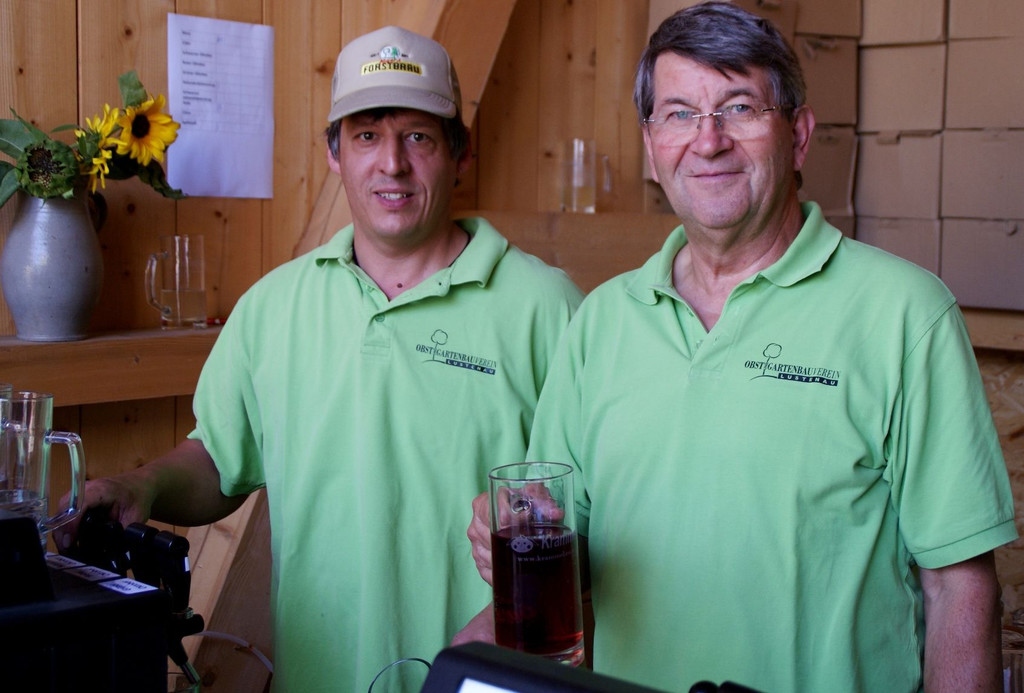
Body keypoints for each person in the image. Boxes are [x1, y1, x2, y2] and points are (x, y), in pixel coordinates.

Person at [458, 3, 1016, 692]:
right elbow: (565, 560)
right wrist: (510, 545)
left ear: (799, 136)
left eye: (740, 108)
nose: (709, 140)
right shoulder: (601, 322)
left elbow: (960, 586)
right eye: (679, 114)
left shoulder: (905, 314)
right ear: (652, 148)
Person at [56, 25, 583, 693]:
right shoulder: (273, 307)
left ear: (460, 153)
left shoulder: (548, 307)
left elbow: (595, 505)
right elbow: (221, 457)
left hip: (481, 680)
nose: (391, 163)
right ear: (334, 153)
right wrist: (144, 485)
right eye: (366, 135)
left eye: (418, 136)